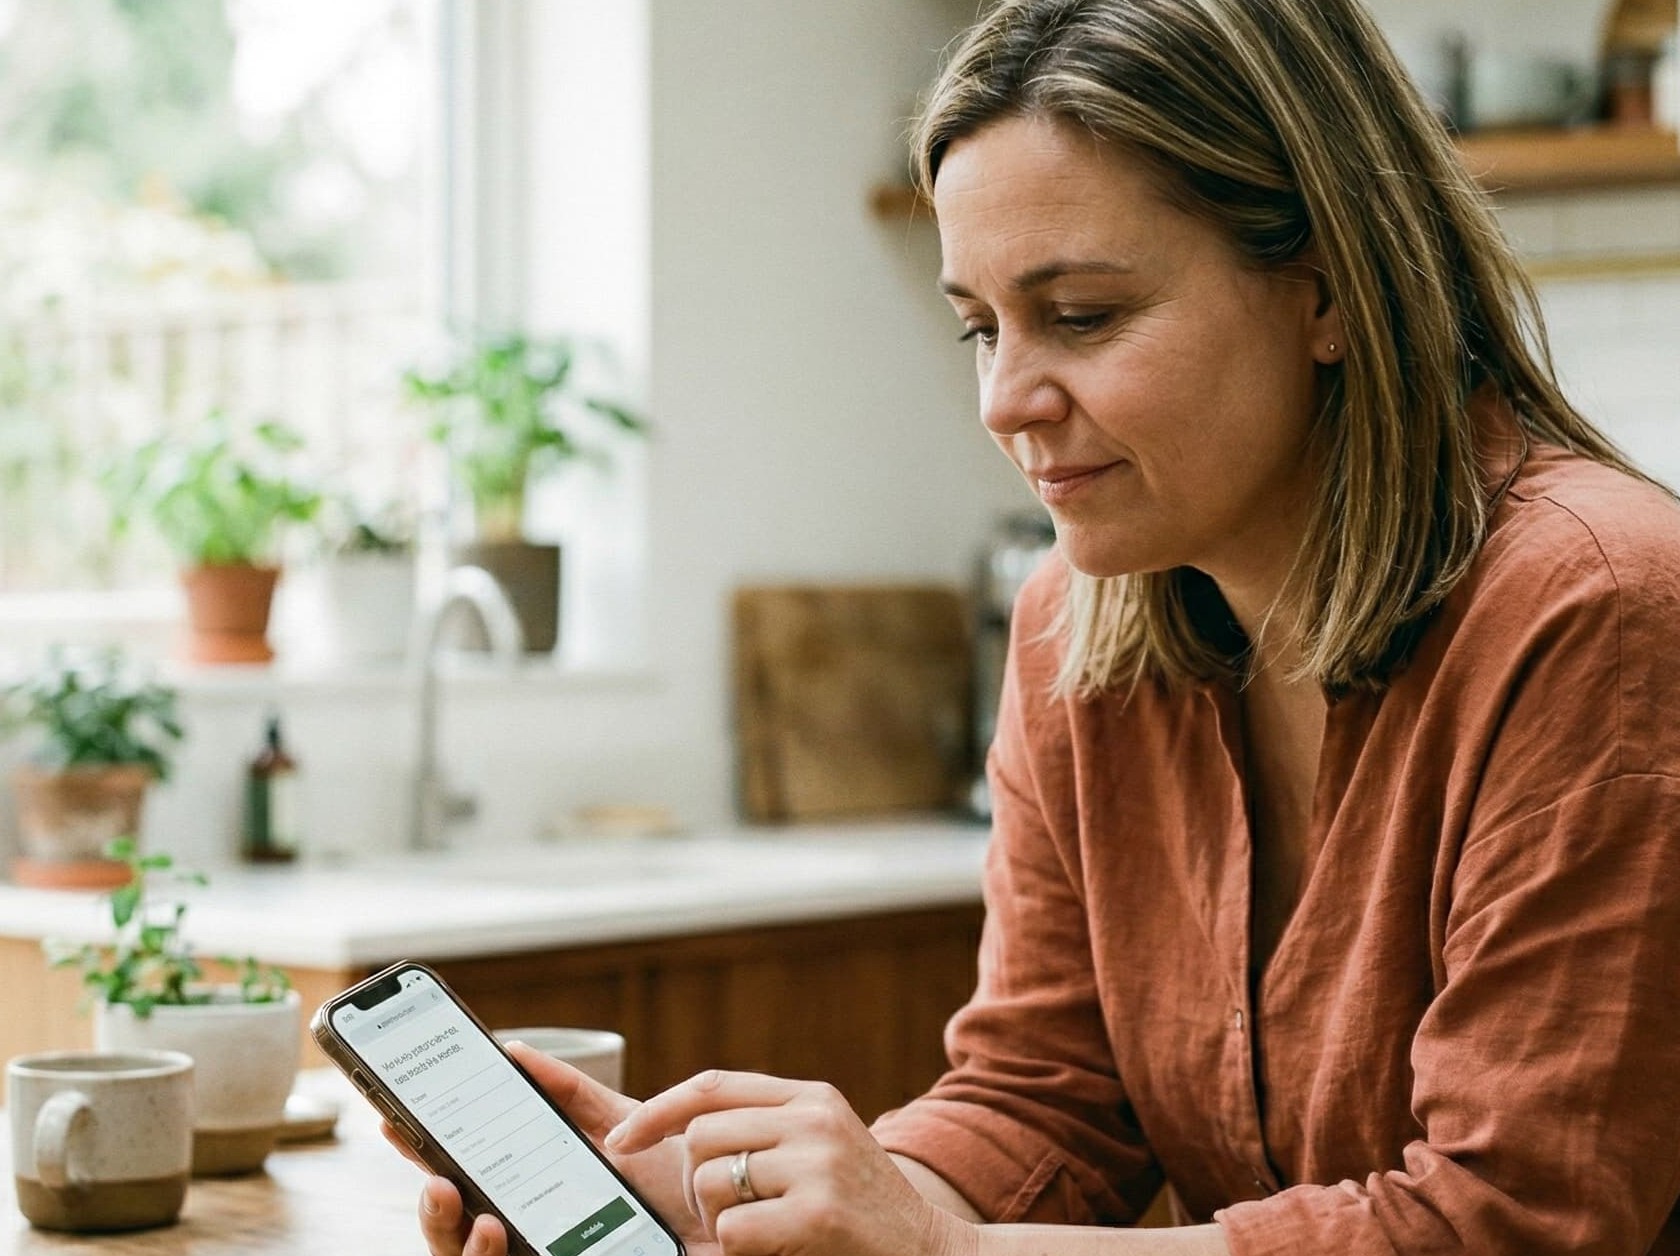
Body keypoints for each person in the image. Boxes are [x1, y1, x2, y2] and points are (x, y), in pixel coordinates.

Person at [408, 1, 1680, 1252]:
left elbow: (1514, 1222)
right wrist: (744, 1202)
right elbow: (1043, 1096)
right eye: (980, 326)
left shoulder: (1600, 610)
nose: (1005, 401)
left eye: (1082, 316)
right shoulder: (1076, 628)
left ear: (1328, 290)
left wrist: (938, 1249)